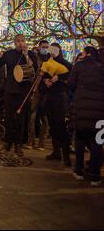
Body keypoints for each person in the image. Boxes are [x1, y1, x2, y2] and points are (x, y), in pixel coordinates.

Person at [0, 34, 37, 154]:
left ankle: (18, 144)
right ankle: (8, 142)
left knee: (21, 119)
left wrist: (26, 55)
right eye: (18, 41)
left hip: (23, 92)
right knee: (8, 117)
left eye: (22, 41)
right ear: (14, 42)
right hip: (10, 90)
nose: (20, 43)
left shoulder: (31, 54)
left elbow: (34, 68)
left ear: (25, 41)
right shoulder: (9, 54)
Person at [68, 46, 104, 186]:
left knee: (80, 140)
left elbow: (71, 84)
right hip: (99, 112)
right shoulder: (101, 68)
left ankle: (79, 171)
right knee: (97, 143)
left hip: (81, 109)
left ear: (87, 53)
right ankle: (95, 176)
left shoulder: (79, 66)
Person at [41, 43, 72, 166]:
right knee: (52, 125)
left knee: (60, 126)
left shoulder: (66, 64)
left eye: (55, 50)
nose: (52, 52)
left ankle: (66, 155)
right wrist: (45, 81)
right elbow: (42, 76)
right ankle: (56, 151)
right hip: (49, 97)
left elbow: (72, 74)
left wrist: (59, 77)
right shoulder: (47, 62)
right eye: (51, 50)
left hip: (60, 97)